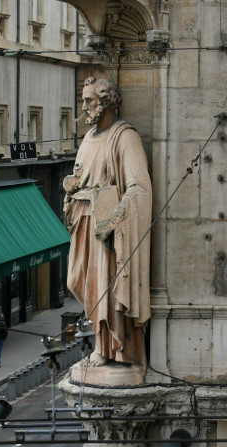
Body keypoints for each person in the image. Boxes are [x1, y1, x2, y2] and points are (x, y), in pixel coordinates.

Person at [63, 77, 152, 369]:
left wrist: (115, 219)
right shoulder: (88, 139)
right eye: (84, 100)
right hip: (84, 226)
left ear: (107, 100)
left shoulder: (124, 137)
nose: (85, 107)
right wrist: (72, 190)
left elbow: (139, 187)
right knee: (80, 282)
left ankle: (116, 350)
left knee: (107, 287)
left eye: (89, 100)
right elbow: (82, 177)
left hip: (109, 232)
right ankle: (102, 345)